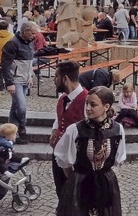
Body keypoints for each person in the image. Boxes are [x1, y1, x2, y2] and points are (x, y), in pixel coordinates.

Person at [54, 86, 126, 216]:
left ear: (106, 106)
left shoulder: (117, 130)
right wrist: (75, 181)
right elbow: (65, 162)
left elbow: (117, 159)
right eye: (86, 103)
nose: (87, 108)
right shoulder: (75, 130)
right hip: (79, 183)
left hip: (105, 184)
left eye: (93, 104)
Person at [49, 61, 88, 199]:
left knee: (76, 194)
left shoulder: (87, 101)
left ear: (65, 79)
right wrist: (55, 130)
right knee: (61, 190)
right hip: (58, 154)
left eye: (56, 77)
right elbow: (59, 117)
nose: (54, 80)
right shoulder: (62, 98)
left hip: (75, 158)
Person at [2, 21, 36, 144]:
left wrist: (30, 77)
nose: (34, 35)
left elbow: (30, 62)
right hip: (15, 80)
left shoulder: (30, 42)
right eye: (32, 33)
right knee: (21, 107)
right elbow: (5, 65)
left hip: (25, 79)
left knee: (15, 107)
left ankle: (10, 134)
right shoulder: (12, 44)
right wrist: (9, 82)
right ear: (25, 31)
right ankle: (22, 128)